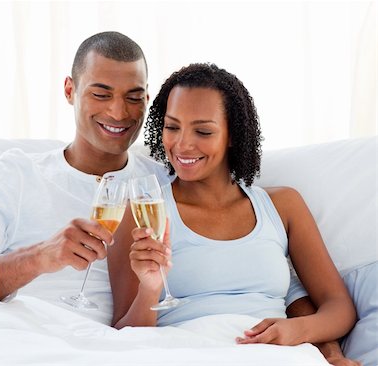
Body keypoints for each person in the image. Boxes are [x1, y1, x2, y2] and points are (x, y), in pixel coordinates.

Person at [108, 63, 359, 365]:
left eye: (202, 131)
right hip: (185, 353)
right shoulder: (142, 212)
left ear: (232, 135)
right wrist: (149, 291)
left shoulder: (283, 205)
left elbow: (339, 308)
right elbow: (121, 335)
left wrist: (297, 330)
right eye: (172, 127)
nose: (183, 144)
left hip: (276, 354)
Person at [0, 31, 168, 324]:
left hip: (112, 345)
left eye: (133, 97)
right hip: (20, 335)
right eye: (101, 94)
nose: (118, 112)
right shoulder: (16, 174)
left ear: (147, 97)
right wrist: (40, 257)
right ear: (70, 90)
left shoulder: (161, 184)